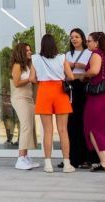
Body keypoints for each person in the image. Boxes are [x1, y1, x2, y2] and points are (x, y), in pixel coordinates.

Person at [30, 33, 74, 173]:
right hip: (59, 91)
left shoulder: (35, 58)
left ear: (42, 45)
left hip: (44, 91)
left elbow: (32, 78)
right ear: (54, 44)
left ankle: (48, 164)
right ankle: (67, 164)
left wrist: (42, 82)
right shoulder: (62, 57)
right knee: (63, 130)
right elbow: (71, 76)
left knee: (47, 131)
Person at [83, 32, 105, 172]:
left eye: (89, 41)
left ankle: (103, 161)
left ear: (96, 43)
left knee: (91, 126)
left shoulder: (96, 54)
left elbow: (94, 71)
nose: (87, 43)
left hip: (99, 96)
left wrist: (82, 74)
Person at [65, 28, 96, 169]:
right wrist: (77, 72)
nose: (74, 39)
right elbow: (64, 72)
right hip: (71, 90)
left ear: (82, 38)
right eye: (72, 37)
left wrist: (74, 66)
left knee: (85, 123)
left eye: (77, 36)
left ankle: (87, 158)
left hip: (84, 90)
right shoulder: (67, 54)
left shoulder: (89, 53)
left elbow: (89, 70)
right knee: (71, 124)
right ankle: (72, 158)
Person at [9, 42, 40, 170]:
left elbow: (34, 82)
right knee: (26, 126)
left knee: (30, 126)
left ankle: (26, 157)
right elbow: (16, 83)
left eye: (30, 50)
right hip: (19, 98)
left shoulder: (28, 66)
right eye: (27, 50)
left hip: (28, 98)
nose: (29, 52)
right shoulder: (17, 66)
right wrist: (30, 79)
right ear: (21, 52)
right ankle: (20, 159)